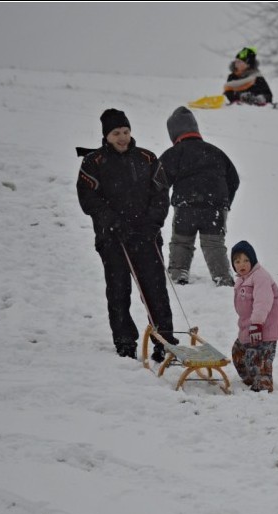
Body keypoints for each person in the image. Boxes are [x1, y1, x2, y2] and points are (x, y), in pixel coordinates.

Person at [76, 108, 177, 361]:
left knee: (155, 291)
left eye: (125, 131)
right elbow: (89, 199)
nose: (122, 137)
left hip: (147, 236)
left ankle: (164, 341)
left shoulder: (147, 158)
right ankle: (124, 342)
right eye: (116, 133)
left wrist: (153, 224)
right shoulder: (93, 162)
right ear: (106, 136)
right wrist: (111, 221)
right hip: (113, 239)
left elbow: (161, 193)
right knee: (118, 291)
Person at [154, 106, 240, 287]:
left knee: (181, 241)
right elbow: (234, 180)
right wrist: (225, 203)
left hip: (186, 206)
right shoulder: (216, 152)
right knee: (214, 243)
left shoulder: (174, 153)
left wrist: (158, 202)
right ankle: (223, 278)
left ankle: (178, 274)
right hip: (215, 208)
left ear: (173, 134)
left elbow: (158, 181)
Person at [230, 241, 278, 392]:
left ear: (253, 260)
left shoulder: (260, 277)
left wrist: (257, 324)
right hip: (248, 327)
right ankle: (250, 380)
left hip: (263, 327)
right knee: (238, 352)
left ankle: (263, 386)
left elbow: (263, 301)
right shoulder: (242, 279)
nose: (242, 264)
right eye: (237, 261)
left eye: (246, 260)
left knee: (260, 358)